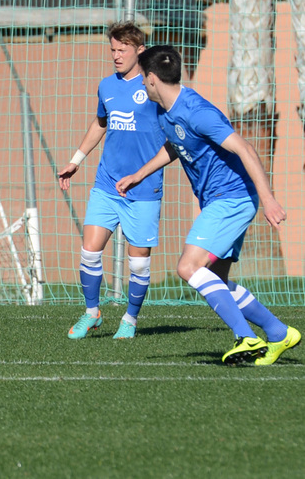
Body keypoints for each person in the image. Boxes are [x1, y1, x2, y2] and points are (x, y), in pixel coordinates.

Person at [117, 45, 301, 365]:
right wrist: (139, 174)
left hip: (232, 198)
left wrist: (269, 200)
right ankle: (278, 332)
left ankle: (246, 338)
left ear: (151, 78)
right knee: (217, 278)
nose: (141, 83)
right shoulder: (163, 110)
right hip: (220, 200)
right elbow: (175, 145)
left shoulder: (198, 111)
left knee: (188, 267)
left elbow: (245, 149)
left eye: (142, 77)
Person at [58, 22, 165, 340]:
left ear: (140, 50)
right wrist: (76, 161)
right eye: (113, 50)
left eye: (123, 50)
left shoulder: (155, 87)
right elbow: (100, 123)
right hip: (107, 184)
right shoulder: (106, 86)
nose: (116, 56)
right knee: (90, 251)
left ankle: (130, 319)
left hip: (143, 187)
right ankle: (92, 313)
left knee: (138, 264)